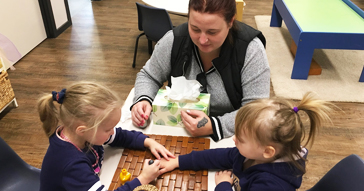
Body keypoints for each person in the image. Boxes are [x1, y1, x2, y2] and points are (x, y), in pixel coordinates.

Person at [131, 0, 270, 142]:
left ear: (230, 22)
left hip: (231, 139)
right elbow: (149, 76)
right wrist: (143, 98)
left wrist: (215, 126)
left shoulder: (250, 50)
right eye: (195, 29)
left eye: (212, 32)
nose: (202, 40)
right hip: (176, 132)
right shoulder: (175, 40)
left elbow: (256, 110)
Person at [158, 92, 334, 191]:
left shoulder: (271, 185)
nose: (234, 139)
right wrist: (178, 161)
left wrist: (224, 186)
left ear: (268, 151)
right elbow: (220, 156)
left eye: (240, 139)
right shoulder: (252, 154)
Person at [37, 81, 174, 191]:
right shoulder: (71, 165)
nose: (112, 131)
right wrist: (143, 178)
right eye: (108, 129)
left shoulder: (86, 133)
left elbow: (120, 136)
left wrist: (149, 142)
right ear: (82, 130)